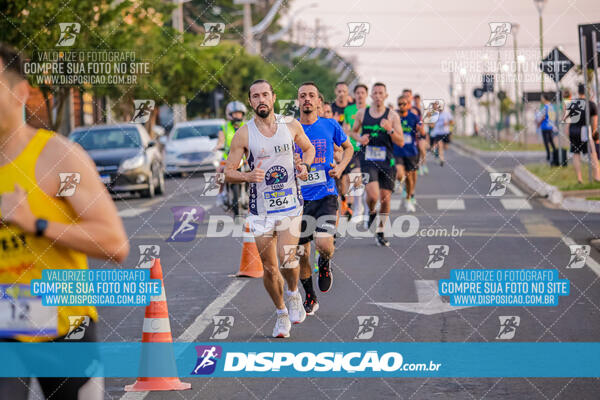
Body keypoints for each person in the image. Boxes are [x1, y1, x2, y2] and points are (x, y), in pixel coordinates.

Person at [0, 44, 129, 399]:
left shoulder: (58, 156)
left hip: (62, 331)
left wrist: (36, 223)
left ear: (20, 93)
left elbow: (114, 244)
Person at [224, 79, 315, 338]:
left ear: (273, 98)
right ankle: (281, 313)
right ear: (250, 102)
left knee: (288, 259)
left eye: (265, 94)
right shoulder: (243, 133)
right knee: (270, 268)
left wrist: (304, 167)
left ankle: (294, 293)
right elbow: (228, 173)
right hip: (261, 210)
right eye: (255, 96)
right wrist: (247, 176)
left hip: (290, 205)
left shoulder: (291, 125)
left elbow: (308, 150)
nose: (261, 99)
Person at [294, 82, 353, 315]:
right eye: (302, 96)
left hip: (326, 195)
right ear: (298, 101)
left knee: (323, 244)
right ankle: (310, 295)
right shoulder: (291, 129)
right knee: (300, 253)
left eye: (311, 95)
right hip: (297, 200)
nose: (307, 99)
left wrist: (340, 168)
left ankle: (325, 263)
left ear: (319, 101)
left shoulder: (330, 125)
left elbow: (348, 148)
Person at [350, 82, 404, 247]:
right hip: (368, 159)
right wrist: (359, 139)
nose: (378, 96)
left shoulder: (392, 116)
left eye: (381, 93)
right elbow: (353, 131)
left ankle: (380, 231)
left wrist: (390, 129)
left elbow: (400, 141)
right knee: (373, 196)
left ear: (386, 96)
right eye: (375, 93)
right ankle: (371, 211)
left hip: (387, 161)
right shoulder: (362, 113)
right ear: (371, 96)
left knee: (386, 198)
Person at [342, 84, 369, 221]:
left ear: (366, 95)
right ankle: (358, 208)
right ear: (354, 95)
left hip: (368, 148)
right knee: (355, 178)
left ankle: (366, 204)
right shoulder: (349, 110)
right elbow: (346, 128)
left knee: (367, 181)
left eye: (362, 93)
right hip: (353, 149)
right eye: (357, 93)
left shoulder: (371, 110)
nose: (360, 95)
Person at [394, 95, 423, 213]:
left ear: (408, 105)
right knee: (400, 174)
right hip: (397, 150)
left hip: (411, 152)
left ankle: (409, 198)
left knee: (410, 179)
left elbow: (422, 130)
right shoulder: (394, 116)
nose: (401, 106)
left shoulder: (414, 117)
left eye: (404, 104)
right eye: (399, 104)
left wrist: (419, 129)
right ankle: (401, 185)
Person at [567, 84, 600, 183]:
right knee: (593, 153)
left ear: (578, 92)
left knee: (576, 154)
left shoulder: (572, 103)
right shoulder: (591, 104)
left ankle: (579, 178)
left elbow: (567, 122)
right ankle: (597, 176)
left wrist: (568, 134)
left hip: (573, 130)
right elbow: (594, 124)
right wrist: (596, 137)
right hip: (585, 131)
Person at [538, 94, 557, 162]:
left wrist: (539, 123)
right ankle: (555, 155)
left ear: (545, 99)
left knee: (546, 143)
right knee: (551, 142)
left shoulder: (545, 107)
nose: (541, 99)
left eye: (542, 98)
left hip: (545, 127)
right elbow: (553, 117)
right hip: (550, 127)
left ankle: (548, 157)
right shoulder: (552, 106)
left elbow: (543, 117)